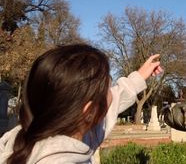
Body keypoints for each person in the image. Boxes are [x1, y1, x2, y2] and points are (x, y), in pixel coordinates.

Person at [0, 44, 162, 164]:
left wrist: (139, 76)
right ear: (90, 111)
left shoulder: (27, 136)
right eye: (109, 86)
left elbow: (114, 101)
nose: (113, 92)